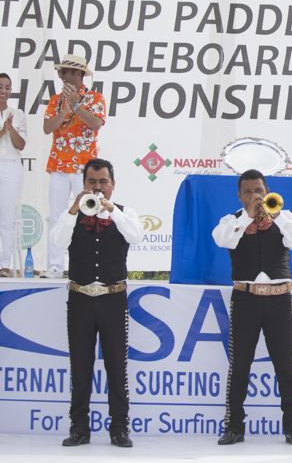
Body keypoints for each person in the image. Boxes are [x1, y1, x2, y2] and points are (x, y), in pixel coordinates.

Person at [48, 158, 142, 447]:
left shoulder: (125, 213)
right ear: (83, 183)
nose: (98, 187)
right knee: (80, 366)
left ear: (113, 185)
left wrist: (112, 211)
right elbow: (57, 242)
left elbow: (136, 237)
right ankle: (79, 428)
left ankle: (119, 428)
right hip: (80, 300)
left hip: (113, 300)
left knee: (116, 366)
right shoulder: (72, 214)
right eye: (92, 181)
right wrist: (74, 209)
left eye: (103, 181)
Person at [212, 169, 292, 446]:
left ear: (267, 191)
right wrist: (247, 216)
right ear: (239, 195)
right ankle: (234, 427)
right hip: (246, 299)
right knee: (240, 365)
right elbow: (222, 239)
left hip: (279, 300)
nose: (255, 196)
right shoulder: (231, 220)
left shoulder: (284, 216)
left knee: (286, 367)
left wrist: (275, 216)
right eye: (249, 192)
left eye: (259, 191)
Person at [42, 54, 106, 278]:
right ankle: (55, 266)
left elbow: (96, 124)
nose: (61, 76)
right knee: (58, 215)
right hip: (59, 164)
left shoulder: (96, 98)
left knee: (88, 213)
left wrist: (76, 104)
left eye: (65, 72)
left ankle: (86, 266)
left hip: (84, 167)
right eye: (60, 72)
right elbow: (48, 128)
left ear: (78, 74)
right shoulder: (54, 100)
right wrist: (66, 108)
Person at [0, 72, 26, 277]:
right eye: (0, 86)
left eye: (7, 87)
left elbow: (20, 145)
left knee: (7, 216)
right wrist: (3, 129)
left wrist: (10, 128)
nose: (3, 91)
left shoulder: (18, 114)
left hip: (10, 167)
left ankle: (4, 265)